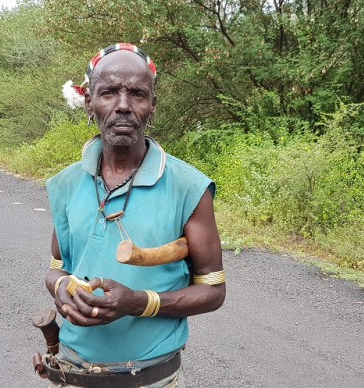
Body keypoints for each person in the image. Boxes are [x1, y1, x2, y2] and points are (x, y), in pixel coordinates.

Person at [42, 43, 226, 387]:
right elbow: (58, 269)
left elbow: (213, 291)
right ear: (89, 102)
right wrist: (63, 288)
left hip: (152, 378)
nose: (123, 105)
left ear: (152, 106)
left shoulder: (189, 187)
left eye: (137, 94)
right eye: (109, 92)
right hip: (69, 370)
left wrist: (138, 303)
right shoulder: (66, 184)